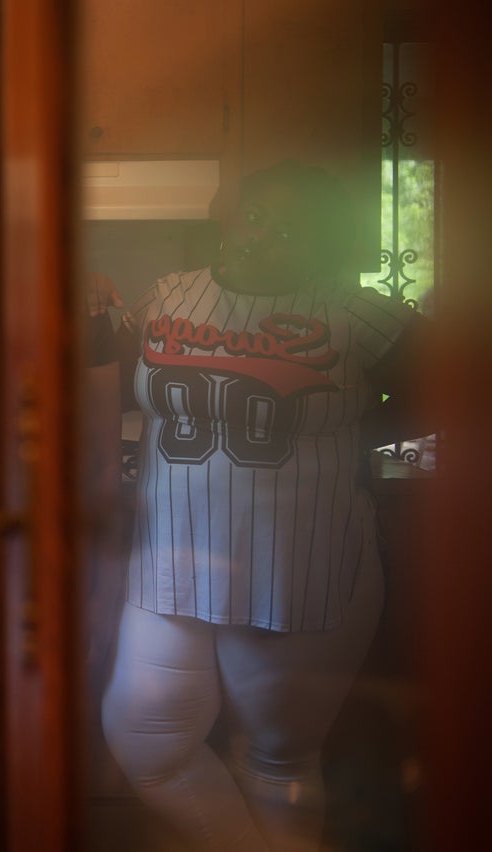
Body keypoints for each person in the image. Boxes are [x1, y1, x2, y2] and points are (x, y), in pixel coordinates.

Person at [94, 160, 433, 851]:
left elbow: (452, 386)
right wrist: (97, 315)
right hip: (170, 554)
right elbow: (115, 382)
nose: (268, 232)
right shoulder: (167, 295)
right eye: (256, 214)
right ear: (225, 217)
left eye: (291, 223)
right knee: (145, 745)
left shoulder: (354, 310)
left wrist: (355, 431)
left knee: (277, 757)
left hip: (301, 560)